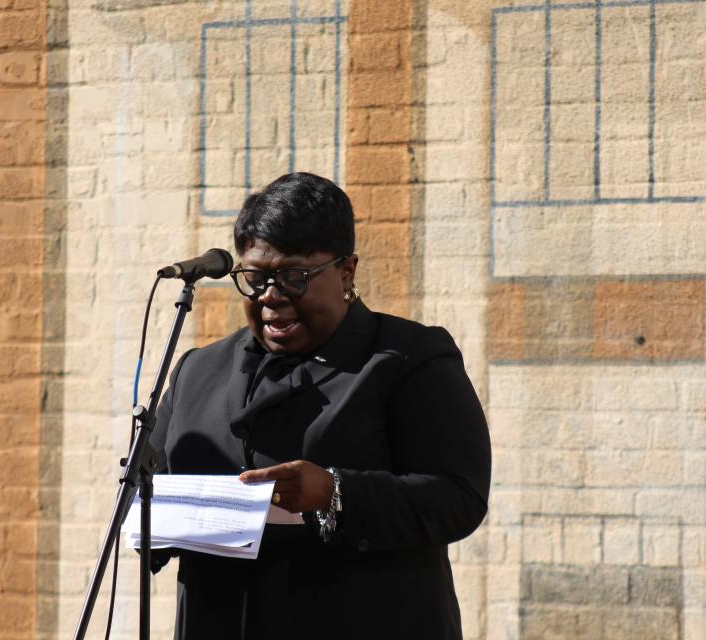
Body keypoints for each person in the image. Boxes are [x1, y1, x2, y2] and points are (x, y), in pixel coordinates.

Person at [149, 172, 491, 639]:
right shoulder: (197, 370)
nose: (270, 297)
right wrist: (150, 508)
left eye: (292, 277)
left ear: (346, 271)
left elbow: (458, 498)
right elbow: (147, 491)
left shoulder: (407, 358)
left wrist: (333, 493)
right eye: (255, 277)